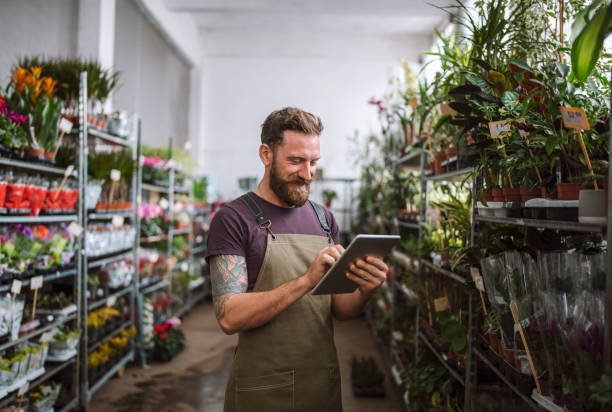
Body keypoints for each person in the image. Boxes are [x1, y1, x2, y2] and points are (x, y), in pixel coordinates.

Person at [206, 107, 389, 412]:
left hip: (321, 386)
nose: (307, 174)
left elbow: (340, 308)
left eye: (313, 162)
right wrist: (306, 280)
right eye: (295, 161)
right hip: (262, 391)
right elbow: (229, 316)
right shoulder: (234, 219)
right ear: (266, 154)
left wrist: (368, 287)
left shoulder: (324, 219)